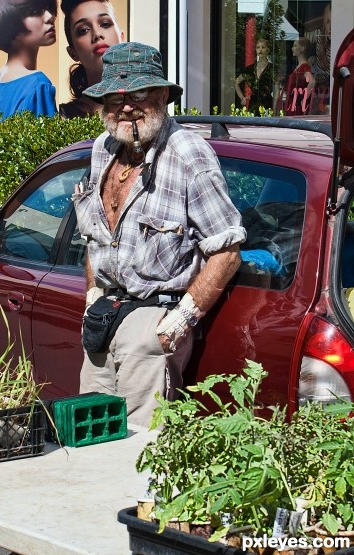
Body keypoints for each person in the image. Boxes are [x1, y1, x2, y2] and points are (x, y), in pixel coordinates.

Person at [72, 42, 246, 427]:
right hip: (102, 319)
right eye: (114, 98)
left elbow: (228, 250)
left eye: (138, 94)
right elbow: (95, 232)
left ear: (163, 95)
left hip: (152, 321)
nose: (126, 107)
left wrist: (181, 320)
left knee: (138, 447)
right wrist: (91, 294)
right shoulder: (104, 148)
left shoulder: (188, 155)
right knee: (89, 434)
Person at [0, 0, 58, 120]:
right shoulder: (38, 86)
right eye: (34, 12)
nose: (50, 16)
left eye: (48, 7)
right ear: (7, 22)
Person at [59, 0, 124, 118]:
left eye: (105, 24)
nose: (97, 34)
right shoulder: (65, 119)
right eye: (83, 30)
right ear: (73, 53)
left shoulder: (150, 103)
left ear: (122, 37)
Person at [234, 38, 278, 115]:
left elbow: (277, 90)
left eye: (263, 47)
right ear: (255, 50)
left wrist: (274, 108)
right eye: (258, 47)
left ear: (267, 50)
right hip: (253, 104)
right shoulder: (250, 69)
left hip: (267, 104)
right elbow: (236, 83)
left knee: (266, 125)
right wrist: (242, 98)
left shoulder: (272, 69)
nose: (260, 50)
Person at [280, 37, 315, 115]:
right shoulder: (299, 67)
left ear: (302, 48)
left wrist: (303, 100)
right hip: (292, 105)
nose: (292, 48)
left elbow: (312, 81)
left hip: (296, 106)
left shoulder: (304, 66)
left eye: (295, 46)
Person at [308, 3, 331, 114]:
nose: (331, 27)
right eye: (328, 22)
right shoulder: (319, 36)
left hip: (327, 90)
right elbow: (305, 29)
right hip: (319, 89)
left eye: (335, 22)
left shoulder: (338, 46)